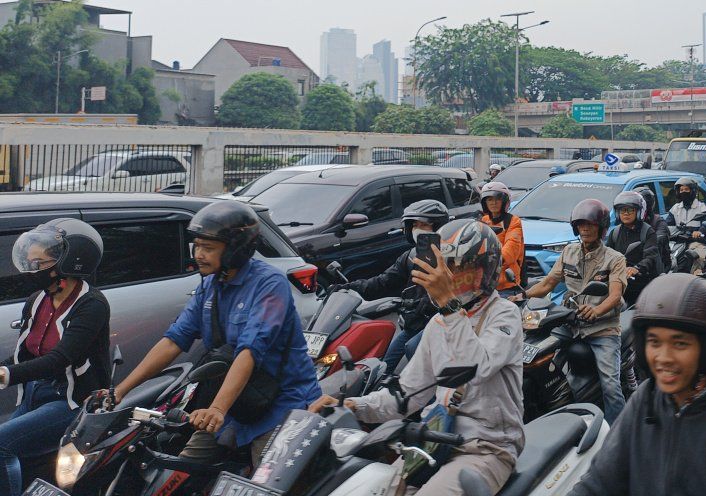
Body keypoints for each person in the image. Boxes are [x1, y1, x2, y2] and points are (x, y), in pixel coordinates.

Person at [311, 220, 524, 496]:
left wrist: (449, 305)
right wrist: (351, 405)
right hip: (432, 440)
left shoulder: (504, 314)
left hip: (485, 448)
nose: (444, 276)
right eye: (442, 267)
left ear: (481, 271)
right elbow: (407, 395)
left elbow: (475, 367)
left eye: (454, 267)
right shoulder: (439, 323)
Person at [110, 201, 320, 467]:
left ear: (236, 250)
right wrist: (120, 391)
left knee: (266, 480)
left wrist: (218, 409)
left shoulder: (269, 285)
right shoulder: (210, 285)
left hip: (280, 405)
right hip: (234, 405)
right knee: (178, 470)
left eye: (208, 248)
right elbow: (174, 340)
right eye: (196, 246)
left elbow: (249, 352)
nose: (198, 254)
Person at [569, 275, 706, 496]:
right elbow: (598, 482)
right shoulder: (647, 398)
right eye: (654, 342)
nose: (664, 357)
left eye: (680, 343)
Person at [0, 220, 109, 496]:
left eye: (40, 262)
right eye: (30, 260)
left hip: (69, 400)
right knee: (17, 451)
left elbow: (60, 358)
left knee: (2, 444)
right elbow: (24, 354)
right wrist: (5, 368)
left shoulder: (91, 304)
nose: (32, 268)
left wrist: (7, 375)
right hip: (35, 394)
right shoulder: (38, 299)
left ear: (71, 262)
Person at [525, 199, 627, 424]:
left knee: (610, 384)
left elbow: (615, 295)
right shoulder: (568, 252)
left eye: (590, 224)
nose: (585, 229)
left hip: (602, 329)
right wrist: (522, 296)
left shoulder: (615, 259)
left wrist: (597, 310)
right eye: (581, 225)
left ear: (601, 227)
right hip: (571, 324)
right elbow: (548, 283)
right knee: (536, 357)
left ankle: (617, 430)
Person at [332, 199, 449, 371]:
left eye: (423, 225)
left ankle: (432, 398)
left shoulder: (451, 258)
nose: (418, 229)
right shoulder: (409, 257)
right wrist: (348, 287)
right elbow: (381, 283)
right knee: (383, 367)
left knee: (414, 353)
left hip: (438, 326)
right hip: (413, 324)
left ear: (438, 227)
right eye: (414, 224)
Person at [607, 191, 661, 304]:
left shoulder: (647, 231)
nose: (626, 213)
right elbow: (606, 255)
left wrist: (636, 268)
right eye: (622, 210)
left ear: (639, 211)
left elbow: (650, 256)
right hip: (619, 279)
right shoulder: (615, 232)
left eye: (630, 210)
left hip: (641, 281)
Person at [477, 181, 525, 296]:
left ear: (505, 202)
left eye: (497, 199)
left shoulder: (513, 221)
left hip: (506, 284)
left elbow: (511, 248)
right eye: (489, 200)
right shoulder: (483, 221)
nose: (493, 203)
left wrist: (492, 260)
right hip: (483, 282)